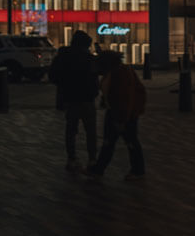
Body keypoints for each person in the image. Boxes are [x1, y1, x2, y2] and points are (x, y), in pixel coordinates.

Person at [86, 50, 146, 180]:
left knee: (128, 141)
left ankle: (137, 170)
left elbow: (124, 97)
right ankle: (99, 169)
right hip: (116, 111)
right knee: (111, 142)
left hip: (124, 114)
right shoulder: (113, 72)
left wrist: (121, 120)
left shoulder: (121, 73)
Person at [48, 30, 99, 172]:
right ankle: (92, 159)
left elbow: (53, 76)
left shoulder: (63, 57)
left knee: (71, 130)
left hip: (70, 98)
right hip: (87, 98)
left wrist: (64, 87)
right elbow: (95, 76)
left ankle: (72, 159)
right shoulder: (89, 59)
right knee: (90, 131)